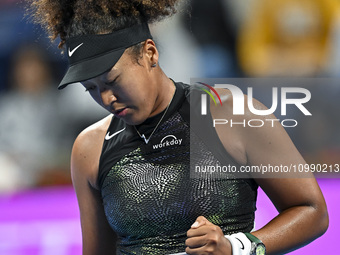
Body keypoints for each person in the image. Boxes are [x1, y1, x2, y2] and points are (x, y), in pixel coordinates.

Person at [29, 1, 328, 254]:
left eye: (112, 81)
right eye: (90, 88)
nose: (105, 98)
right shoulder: (89, 147)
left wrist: (236, 247)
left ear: (150, 53)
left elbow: (311, 211)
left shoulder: (231, 113)